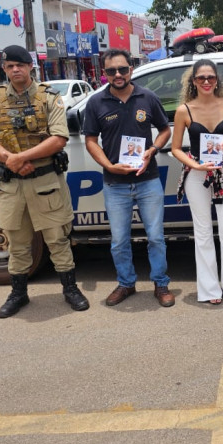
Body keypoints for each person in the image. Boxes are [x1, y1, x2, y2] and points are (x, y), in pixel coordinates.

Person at [0, 45, 89, 318]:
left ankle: (70, 289)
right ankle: (18, 293)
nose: (15, 69)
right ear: (4, 69)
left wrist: (21, 157)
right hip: (12, 186)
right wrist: (8, 158)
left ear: (30, 67)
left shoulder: (50, 99)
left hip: (45, 182)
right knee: (16, 244)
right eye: (10, 65)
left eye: (20, 64)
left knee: (58, 240)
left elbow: (58, 138)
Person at [82, 49, 175, 308]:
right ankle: (126, 283)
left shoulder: (148, 97)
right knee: (119, 241)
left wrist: (153, 150)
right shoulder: (96, 103)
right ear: (105, 74)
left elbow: (165, 130)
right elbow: (90, 140)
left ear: (131, 69)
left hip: (148, 179)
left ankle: (161, 283)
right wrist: (109, 166)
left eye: (122, 69)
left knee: (156, 237)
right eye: (112, 71)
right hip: (114, 185)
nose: (118, 74)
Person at [171, 59, 223, 304]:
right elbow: (175, 149)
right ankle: (210, 290)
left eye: (210, 77)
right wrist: (195, 165)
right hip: (197, 175)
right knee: (202, 233)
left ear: (217, 80)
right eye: (200, 78)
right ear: (193, 81)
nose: (206, 82)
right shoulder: (185, 110)